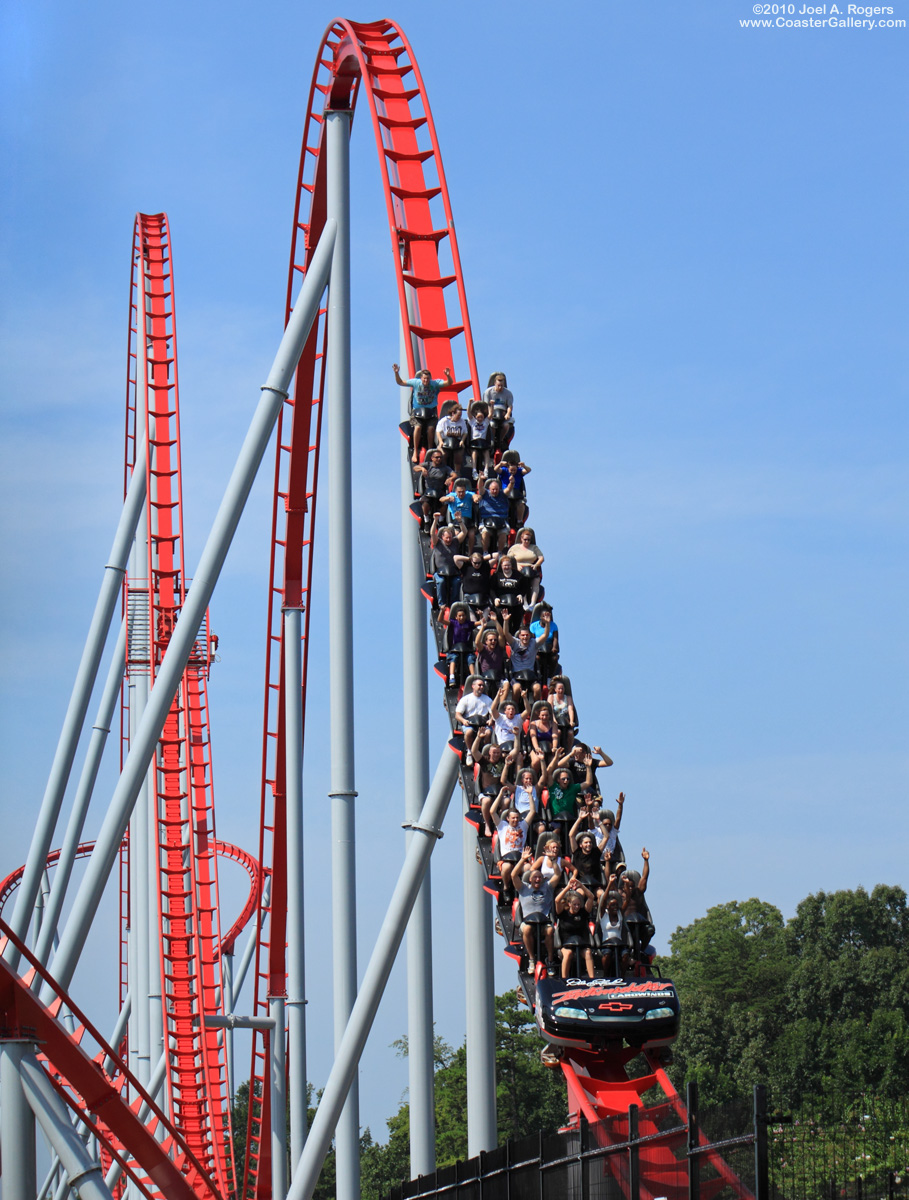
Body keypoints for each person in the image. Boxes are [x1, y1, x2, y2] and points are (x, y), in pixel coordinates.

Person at [394, 362, 453, 462]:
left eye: (427, 379)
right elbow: (400, 382)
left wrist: (448, 376)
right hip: (417, 413)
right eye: (424, 379)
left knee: (430, 429)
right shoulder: (416, 383)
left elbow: (449, 383)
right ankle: (415, 451)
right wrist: (396, 373)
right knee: (418, 427)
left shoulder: (434, 384)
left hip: (430, 412)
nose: (426, 381)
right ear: (421, 378)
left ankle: (430, 449)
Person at [513, 850, 555, 972]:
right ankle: (532, 959)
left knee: (550, 930)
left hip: (543, 922)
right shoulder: (523, 888)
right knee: (527, 929)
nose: (537, 879)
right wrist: (522, 860)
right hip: (528, 921)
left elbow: (557, 875)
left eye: (539, 877)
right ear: (530, 879)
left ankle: (550, 960)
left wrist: (553, 861)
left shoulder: (547, 888)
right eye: (535, 877)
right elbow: (513, 875)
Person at [492, 799, 533, 900]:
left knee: (528, 868)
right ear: (508, 818)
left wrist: (529, 795)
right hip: (507, 859)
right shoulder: (502, 826)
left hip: (520, 859)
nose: (515, 820)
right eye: (513, 818)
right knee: (506, 867)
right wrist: (500, 795)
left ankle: (524, 890)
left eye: (517, 818)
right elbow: (492, 811)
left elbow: (532, 811)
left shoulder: (523, 826)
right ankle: (506, 887)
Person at [554, 881, 596, 979]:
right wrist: (567, 888)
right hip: (566, 944)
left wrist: (581, 885)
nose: (577, 907)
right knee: (568, 953)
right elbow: (557, 900)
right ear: (569, 904)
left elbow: (591, 897)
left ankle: (592, 979)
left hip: (581, 944)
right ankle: (564, 979)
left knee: (588, 952)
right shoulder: (563, 913)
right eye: (574, 904)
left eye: (578, 904)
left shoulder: (583, 912)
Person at [429, 519, 466, 611]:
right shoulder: (438, 543)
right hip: (440, 572)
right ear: (442, 537)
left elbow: (464, 532)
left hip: (453, 572)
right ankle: (442, 604)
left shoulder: (455, 541)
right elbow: (432, 533)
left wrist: (460, 522)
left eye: (450, 537)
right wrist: (435, 520)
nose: (449, 540)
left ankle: (454, 604)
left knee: (457, 582)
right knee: (441, 582)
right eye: (447, 538)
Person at [454, 676, 493, 764]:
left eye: (482, 685)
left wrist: (491, 720)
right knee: (468, 732)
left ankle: (484, 751)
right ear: (473, 686)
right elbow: (457, 715)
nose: (481, 687)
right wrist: (463, 720)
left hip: (482, 723)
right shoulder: (466, 699)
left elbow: (493, 713)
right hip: (470, 723)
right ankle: (470, 752)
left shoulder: (487, 699)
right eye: (479, 685)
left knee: (488, 733)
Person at [621, 849, 652, 955]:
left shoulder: (638, 892)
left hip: (639, 924)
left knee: (650, 930)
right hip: (625, 925)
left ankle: (641, 950)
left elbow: (644, 877)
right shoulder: (620, 894)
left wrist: (646, 861)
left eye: (631, 886)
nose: (629, 888)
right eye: (627, 886)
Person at [413, 449, 455, 526]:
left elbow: (454, 474)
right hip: (428, 491)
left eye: (440, 457)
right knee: (425, 504)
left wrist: (450, 478)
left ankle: (441, 520)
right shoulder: (428, 465)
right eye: (437, 457)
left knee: (444, 504)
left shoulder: (445, 468)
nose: (439, 459)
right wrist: (422, 468)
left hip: (440, 491)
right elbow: (415, 468)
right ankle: (426, 520)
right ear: (432, 458)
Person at [476, 473, 514, 557]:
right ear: (489, 489)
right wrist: (480, 479)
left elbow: (508, 489)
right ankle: (485, 552)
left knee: (503, 533)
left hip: (501, 520)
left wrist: (511, 483)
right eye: (493, 489)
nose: (495, 491)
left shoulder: (502, 494)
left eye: (496, 489)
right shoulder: (485, 493)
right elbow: (480, 488)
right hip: (487, 519)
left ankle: (500, 552)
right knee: (485, 532)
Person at [507, 528, 544, 606]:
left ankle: (533, 602)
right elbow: (508, 559)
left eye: (528, 540)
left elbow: (541, 558)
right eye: (525, 539)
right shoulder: (515, 548)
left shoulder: (534, 547)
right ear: (521, 539)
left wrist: (536, 565)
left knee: (536, 581)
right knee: (523, 580)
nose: (527, 541)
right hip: (519, 568)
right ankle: (524, 602)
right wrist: (516, 565)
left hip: (531, 568)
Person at [442, 602, 476, 688]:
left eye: (463, 615)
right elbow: (440, 620)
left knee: (470, 659)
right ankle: (452, 676)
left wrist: (482, 617)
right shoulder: (453, 623)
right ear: (456, 617)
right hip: (455, 649)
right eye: (459, 616)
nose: (462, 617)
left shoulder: (468, 624)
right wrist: (442, 611)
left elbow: (479, 623)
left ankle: (474, 677)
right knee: (453, 658)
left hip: (466, 649)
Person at [597, 885, 629, 976]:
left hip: (619, 944)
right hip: (607, 945)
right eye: (612, 905)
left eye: (616, 905)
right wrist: (610, 883)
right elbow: (603, 901)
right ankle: (606, 975)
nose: (615, 907)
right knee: (607, 955)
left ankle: (622, 975)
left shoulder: (619, 914)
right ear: (608, 906)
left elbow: (627, 900)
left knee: (625, 955)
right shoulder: (604, 915)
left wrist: (625, 885)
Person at [438, 478, 476, 551]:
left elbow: (476, 496)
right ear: (456, 491)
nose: (461, 494)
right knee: (456, 534)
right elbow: (441, 499)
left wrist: (475, 497)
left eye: (463, 492)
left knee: (472, 535)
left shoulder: (468, 494)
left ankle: (470, 553)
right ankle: (456, 551)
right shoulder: (452, 495)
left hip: (468, 521)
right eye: (459, 492)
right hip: (456, 522)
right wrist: (448, 498)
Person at [491, 554, 528, 625]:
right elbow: (491, 589)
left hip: (515, 603)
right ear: (501, 566)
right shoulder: (496, 576)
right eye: (505, 565)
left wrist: (521, 595)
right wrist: (495, 598)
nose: (506, 567)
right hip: (501, 603)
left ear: (511, 565)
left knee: (517, 617)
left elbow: (524, 587)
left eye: (508, 565)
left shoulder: (519, 575)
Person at [498, 450, 531, 527]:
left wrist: (524, 466)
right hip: (506, 492)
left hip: (516, 493)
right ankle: (504, 520)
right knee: (504, 503)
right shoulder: (504, 471)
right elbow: (496, 469)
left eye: (514, 470)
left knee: (521, 503)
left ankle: (519, 521)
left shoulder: (519, 472)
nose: (513, 472)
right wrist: (500, 464)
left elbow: (529, 470)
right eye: (511, 470)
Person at [435, 401, 469, 472]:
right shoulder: (444, 420)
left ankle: (457, 472)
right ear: (453, 413)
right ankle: (442, 470)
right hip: (445, 442)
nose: (459, 417)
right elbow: (438, 431)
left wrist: (462, 441)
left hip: (457, 442)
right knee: (443, 454)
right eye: (458, 415)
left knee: (458, 456)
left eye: (460, 415)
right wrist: (440, 441)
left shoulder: (462, 421)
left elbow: (465, 433)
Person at [483, 372, 514, 450]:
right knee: (492, 424)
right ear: (494, 383)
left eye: (502, 386)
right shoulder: (488, 392)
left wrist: (508, 414)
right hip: (492, 412)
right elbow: (486, 405)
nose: (500, 388)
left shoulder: (508, 393)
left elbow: (510, 406)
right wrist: (490, 413)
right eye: (498, 385)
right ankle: (492, 440)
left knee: (506, 425)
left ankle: (501, 440)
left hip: (503, 413)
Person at [489, 683, 523, 751]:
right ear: (504, 711)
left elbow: (528, 710)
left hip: (515, 747)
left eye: (513, 709)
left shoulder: (518, 718)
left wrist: (524, 698)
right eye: (509, 709)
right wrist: (498, 696)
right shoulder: (500, 718)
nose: (511, 711)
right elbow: (493, 709)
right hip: (502, 747)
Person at [466, 400, 493, 476]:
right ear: (476, 417)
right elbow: (468, 413)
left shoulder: (486, 422)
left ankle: (486, 469)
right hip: (475, 441)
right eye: (478, 417)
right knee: (474, 452)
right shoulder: (472, 422)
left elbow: (490, 414)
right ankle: (474, 470)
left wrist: (491, 405)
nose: (480, 419)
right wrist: (470, 403)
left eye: (481, 417)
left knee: (486, 452)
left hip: (483, 441)